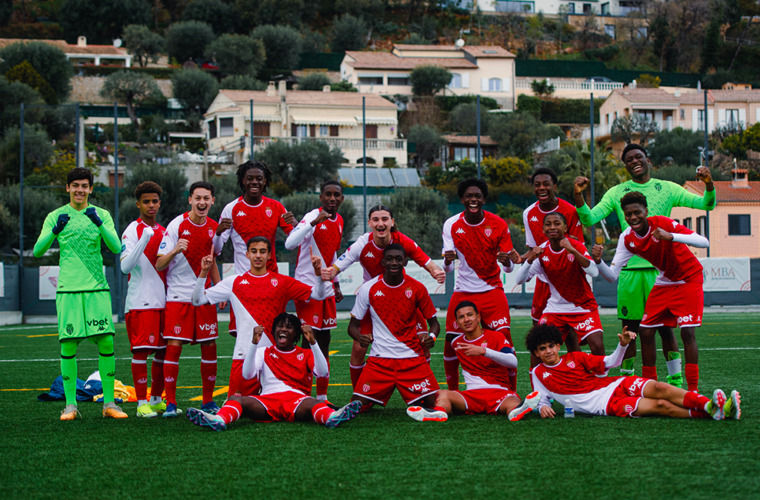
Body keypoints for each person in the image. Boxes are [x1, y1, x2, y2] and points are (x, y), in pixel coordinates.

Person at [573, 143, 716, 385]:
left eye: (638, 156)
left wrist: (709, 185)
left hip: (662, 271)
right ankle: (629, 381)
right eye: (628, 159)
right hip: (629, 271)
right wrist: (579, 197)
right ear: (625, 166)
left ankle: (675, 381)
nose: (634, 161)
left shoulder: (668, 188)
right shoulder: (617, 193)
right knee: (631, 328)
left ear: (648, 160)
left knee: (666, 329)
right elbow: (589, 218)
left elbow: (706, 204)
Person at [33, 167, 127, 420]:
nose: (79, 190)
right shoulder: (55, 216)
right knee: (68, 344)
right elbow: (38, 251)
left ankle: (109, 404)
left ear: (91, 189)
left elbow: (116, 247)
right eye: (75, 185)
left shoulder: (101, 214)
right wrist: (55, 230)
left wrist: (99, 223)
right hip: (69, 289)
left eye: (84, 186)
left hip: (97, 288)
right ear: (68, 188)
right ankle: (71, 406)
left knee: (106, 342)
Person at [593, 192, 709, 392]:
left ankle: (692, 391)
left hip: (689, 278)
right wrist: (598, 262)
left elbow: (704, 242)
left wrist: (671, 236)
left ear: (646, 211)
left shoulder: (663, 223)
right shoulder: (627, 238)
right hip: (665, 281)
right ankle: (650, 388)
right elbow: (612, 276)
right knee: (645, 331)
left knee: (687, 332)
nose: (633, 218)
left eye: (637, 212)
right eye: (628, 214)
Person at [322, 204, 445, 388]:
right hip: (374, 301)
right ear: (370, 223)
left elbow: (426, 261)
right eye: (376, 220)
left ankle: (423, 389)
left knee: (423, 343)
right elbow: (335, 268)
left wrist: (436, 272)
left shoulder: (402, 240)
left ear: (392, 222)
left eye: (385, 219)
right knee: (358, 348)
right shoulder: (362, 244)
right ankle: (358, 394)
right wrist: (326, 272)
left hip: (403, 298)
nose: (380, 223)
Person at [192, 236, 330, 397]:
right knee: (236, 405)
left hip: (274, 357)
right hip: (244, 355)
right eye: (254, 251)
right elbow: (197, 300)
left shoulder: (282, 282)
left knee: (279, 405)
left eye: (262, 251)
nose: (258, 255)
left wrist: (318, 274)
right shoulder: (233, 282)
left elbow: (318, 295)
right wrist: (204, 272)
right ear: (247, 254)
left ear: (269, 255)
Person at [527, 323, 740, 420]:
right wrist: (542, 407)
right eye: (542, 349)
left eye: (551, 346)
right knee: (660, 405)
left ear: (558, 345)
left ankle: (709, 405)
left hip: (615, 384)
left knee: (660, 387)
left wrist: (623, 345)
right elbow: (540, 397)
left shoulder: (576, 357)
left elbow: (611, 362)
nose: (548, 351)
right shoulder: (537, 373)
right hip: (604, 405)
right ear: (536, 352)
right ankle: (716, 412)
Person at [186, 313, 363, 430]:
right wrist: (253, 344)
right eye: (280, 326)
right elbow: (247, 375)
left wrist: (313, 342)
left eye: (289, 327)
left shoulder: (305, 353)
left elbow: (323, 373)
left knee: (314, 403)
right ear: (274, 331)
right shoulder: (263, 351)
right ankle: (218, 421)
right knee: (235, 399)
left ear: (296, 334)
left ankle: (332, 418)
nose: (283, 329)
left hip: (297, 401)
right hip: (267, 401)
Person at [441, 177, 520, 391]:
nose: (473, 199)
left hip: (492, 290)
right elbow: (448, 268)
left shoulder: (499, 224)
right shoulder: (451, 224)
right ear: (462, 199)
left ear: (484, 199)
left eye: (477, 196)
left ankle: (511, 393)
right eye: (469, 196)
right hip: (463, 292)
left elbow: (509, 269)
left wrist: (507, 262)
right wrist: (447, 260)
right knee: (450, 344)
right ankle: (454, 394)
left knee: (505, 340)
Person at [347, 244, 443, 417]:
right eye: (389, 259)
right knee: (356, 406)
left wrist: (432, 336)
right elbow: (352, 326)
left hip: (412, 359)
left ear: (405, 262)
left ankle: (422, 402)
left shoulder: (417, 288)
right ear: (383, 262)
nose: (394, 262)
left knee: (436, 403)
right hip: (380, 361)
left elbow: (435, 324)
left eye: (398, 259)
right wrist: (360, 337)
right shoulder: (368, 288)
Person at [407, 301, 539, 422]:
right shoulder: (456, 343)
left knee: (513, 400)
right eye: (461, 317)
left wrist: (484, 351)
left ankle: (515, 411)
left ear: (478, 318)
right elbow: (450, 367)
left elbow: (513, 362)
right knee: (443, 394)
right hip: (471, 396)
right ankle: (439, 413)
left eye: (470, 315)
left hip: (499, 392)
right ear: (457, 323)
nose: (466, 319)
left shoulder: (497, 336)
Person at [156, 181, 223, 417]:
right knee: (174, 345)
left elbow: (212, 261)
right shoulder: (177, 225)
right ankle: (171, 403)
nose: (202, 202)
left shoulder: (214, 228)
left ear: (212, 201)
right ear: (190, 200)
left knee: (210, 345)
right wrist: (175, 250)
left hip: (204, 296)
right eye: (198, 198)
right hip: (178, 296)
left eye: (206, 198)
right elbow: (159, 263)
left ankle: (208, 402)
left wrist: (218, 288)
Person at [213, 160, 295, 337]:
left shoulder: (276, 206)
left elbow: (294, 241)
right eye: (250, 178)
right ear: (243, 180)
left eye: (259, 178)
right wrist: (218, 234)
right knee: (242, 335)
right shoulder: (231, 209)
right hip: (244, 284)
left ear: (265, 181)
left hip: (271, 283)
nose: (254, 182)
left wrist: (296, 225)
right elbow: (217, 250)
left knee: (273, 333)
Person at [515, 212, 603, 368]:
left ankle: (602, 380)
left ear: (565, 228)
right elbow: (519, 280)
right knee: (537, 344)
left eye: (557, 223)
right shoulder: (542, 251)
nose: (552, 227)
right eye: (548, 224)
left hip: (582, 306)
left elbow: (594, 272)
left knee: (597, 345)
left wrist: (573, 251)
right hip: (556, 309)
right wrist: (530, 259)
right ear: (543, 229)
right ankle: (537, 381)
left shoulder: (575, 246)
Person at [284, 180, 345, 401]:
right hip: (307, 289)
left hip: (326, 288)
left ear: (341, 199)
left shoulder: (340, 221)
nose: (332, 198)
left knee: (324, 340)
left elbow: (332, 253)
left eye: (336, 195)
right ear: (321, 197)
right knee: (309, 340)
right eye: (328, 194)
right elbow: (289, 243)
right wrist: (312, 223)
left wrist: (336, 283)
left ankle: (321, 398)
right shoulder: (312, 215)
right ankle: (302, 395)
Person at [120, 181, 168, 417]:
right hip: (141, 302)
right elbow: (125, 267)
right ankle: (141, 404)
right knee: (141, 352)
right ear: (138, 204)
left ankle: (156, 400)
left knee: (163, 352)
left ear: (159, 203)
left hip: (164, 302)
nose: (151, 205)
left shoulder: (165, 230)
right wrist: (144, 239)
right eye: (146, 201)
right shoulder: (131, 231)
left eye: (155, 201)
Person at [522, 167, 584, 325]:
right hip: (543, 280)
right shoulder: (528, 213)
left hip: (567, 281)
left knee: (569, 331)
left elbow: (579, 247)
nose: (541, 188)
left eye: (546, 184)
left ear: (554, 187)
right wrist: (518, 258)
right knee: (538, 327)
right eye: (537, 185)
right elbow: (533, 250)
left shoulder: (570, 211)